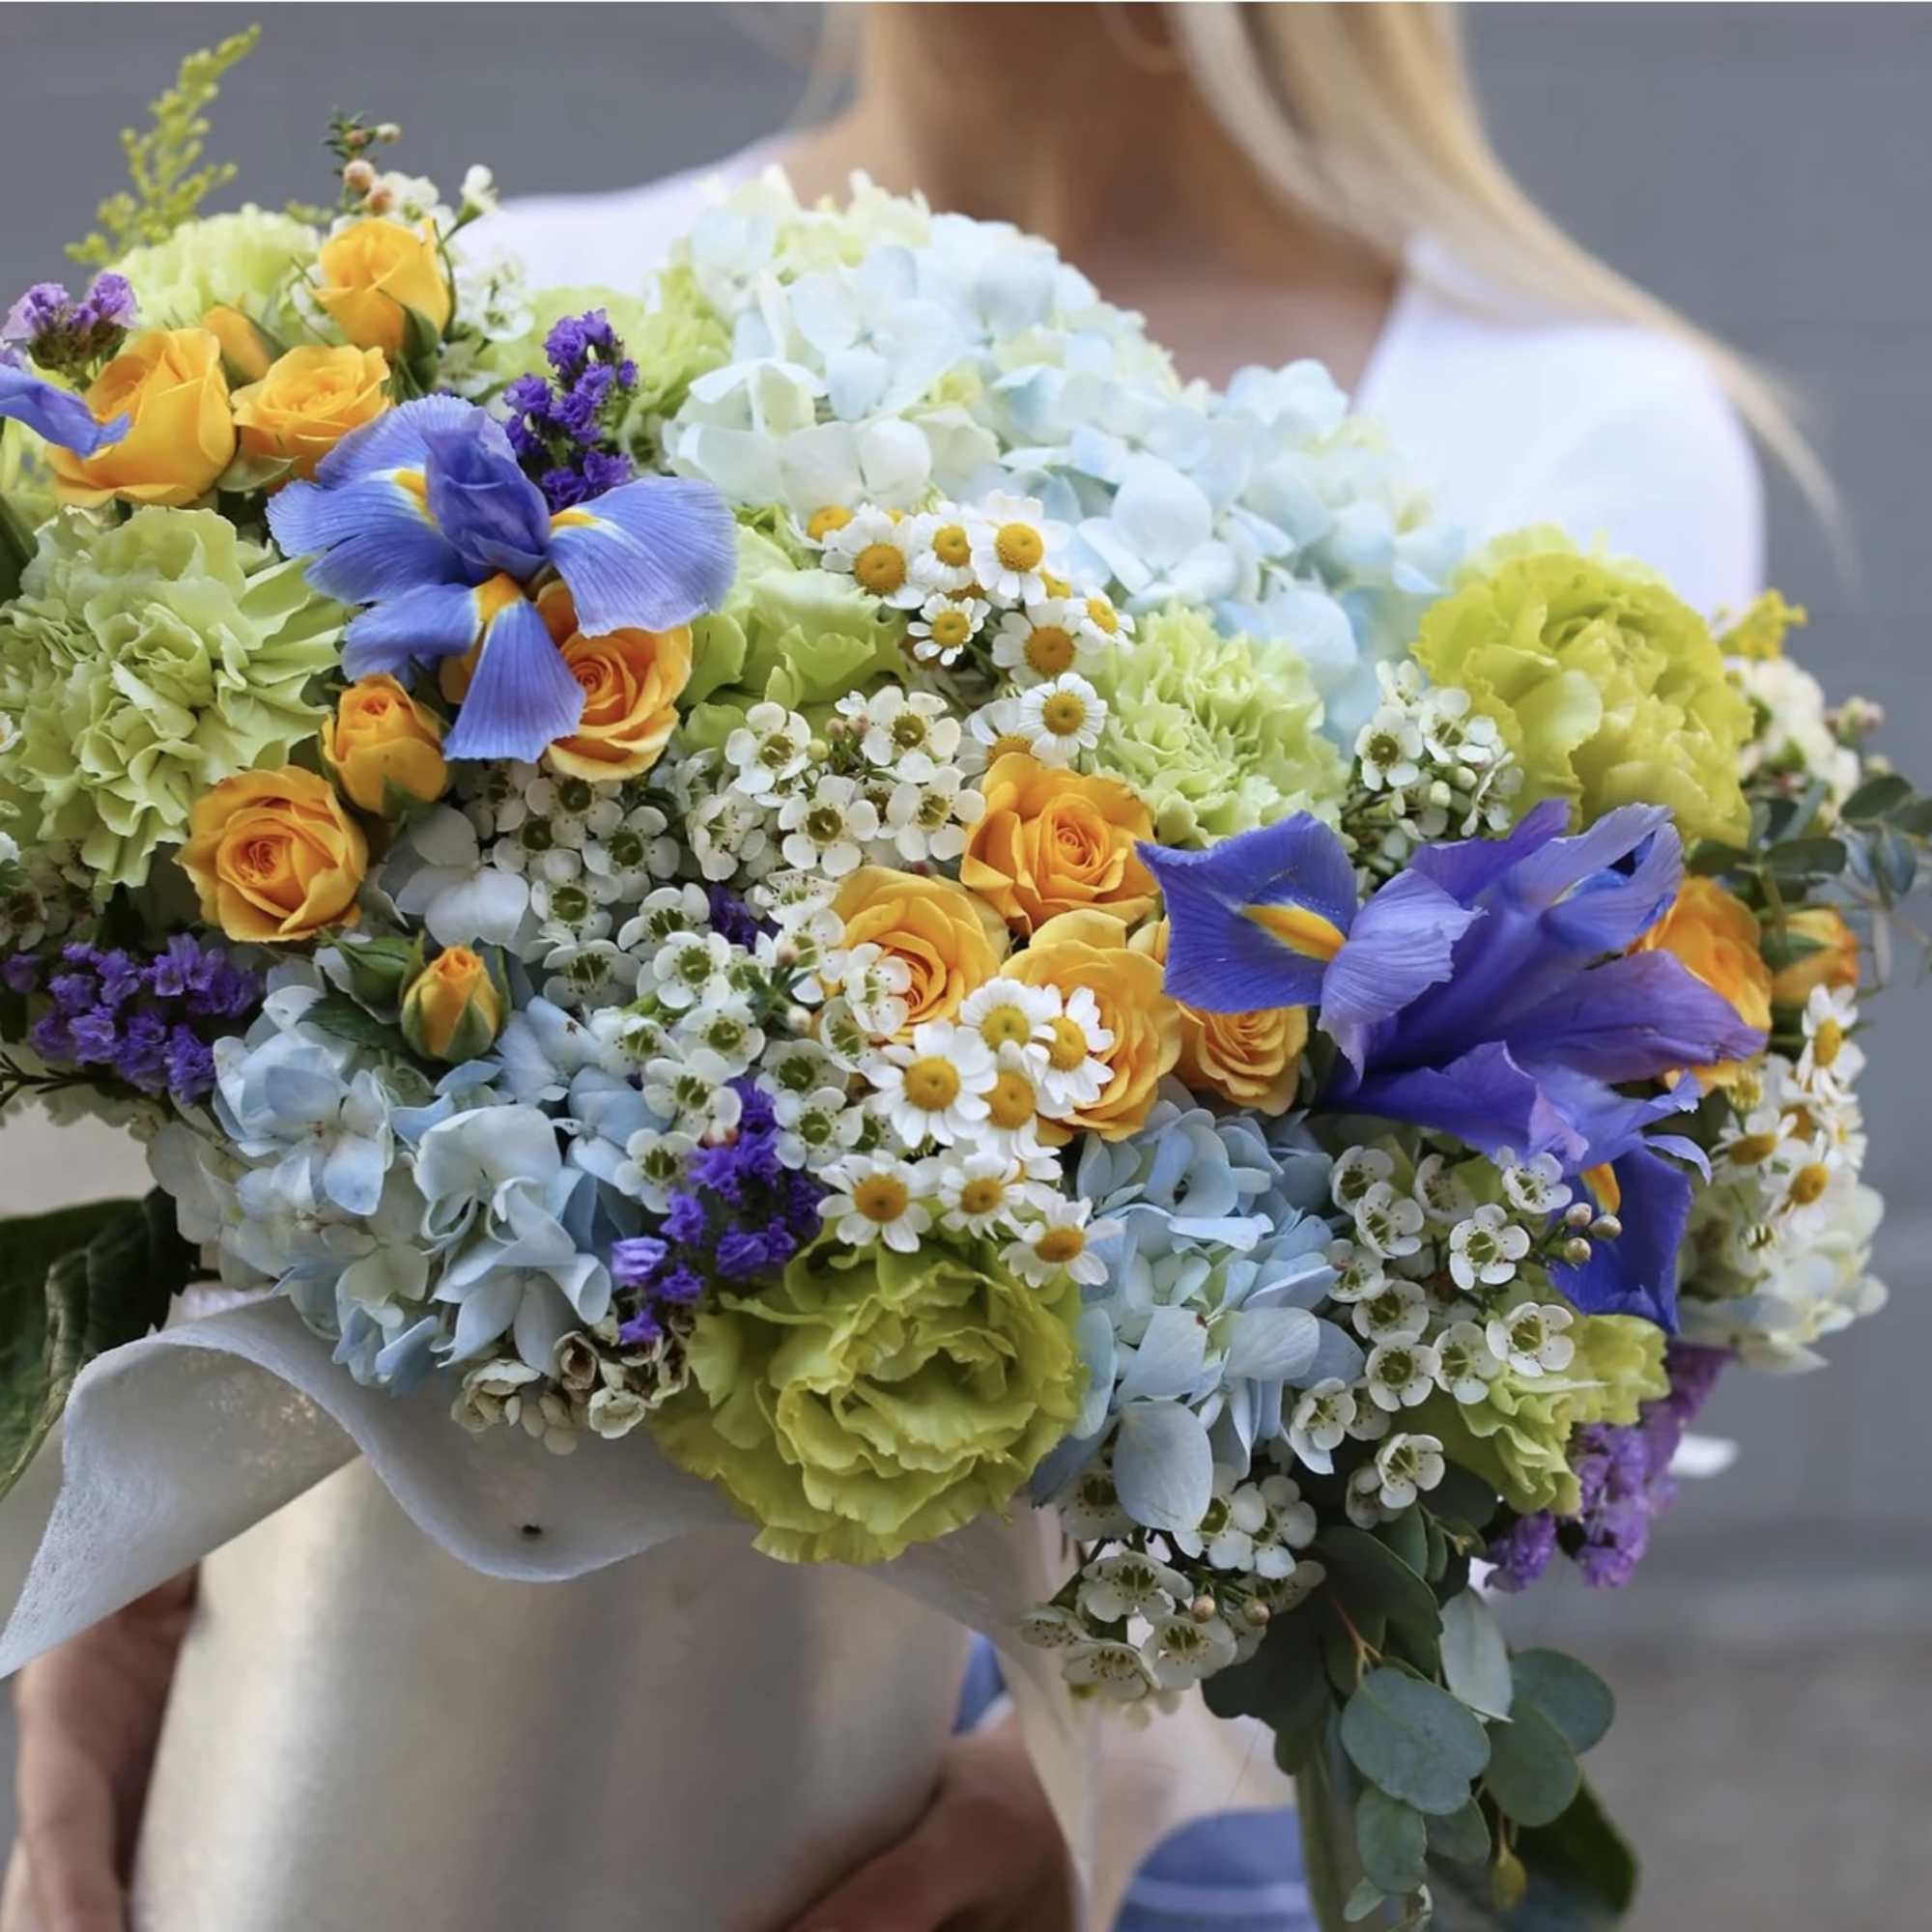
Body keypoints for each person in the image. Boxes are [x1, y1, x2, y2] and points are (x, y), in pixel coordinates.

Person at [6, 6, 1786, 1929]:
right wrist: (106, 1582)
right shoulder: (537, 308)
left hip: (1147, 1835)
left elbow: (1544, 1317)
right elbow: (181, 1161)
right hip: (406, 1751)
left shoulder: (1569, 430)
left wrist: (1089, 1770)